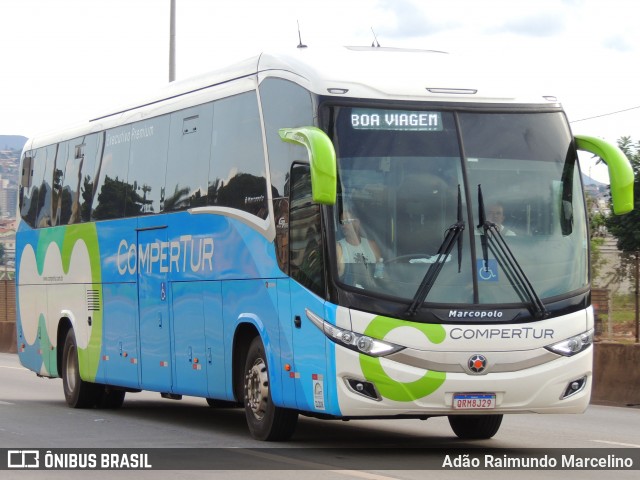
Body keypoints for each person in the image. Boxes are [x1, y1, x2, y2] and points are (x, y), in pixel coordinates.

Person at [336, 210, 381, 278]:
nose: (343, 226)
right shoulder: (339, 247)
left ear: (356, 222)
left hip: (372, 287)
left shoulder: (372, 245)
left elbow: (381, 273)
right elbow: (340, 274)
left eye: (347, 222)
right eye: (342, 223)